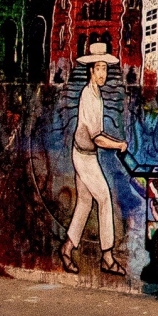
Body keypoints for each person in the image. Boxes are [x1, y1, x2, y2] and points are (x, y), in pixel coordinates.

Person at [64, 40, 128, 274]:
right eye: (99, 69)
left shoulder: (96, 93)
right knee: (104, 199)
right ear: (90, 70)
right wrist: (118, 144)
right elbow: (97, 137)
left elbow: (97, 135)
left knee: (84, 202)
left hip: (85, 154)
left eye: (105, 69)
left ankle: (67, 248)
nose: (103, 73)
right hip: (83, 157)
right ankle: (107, 257)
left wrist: (114, 143)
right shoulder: (88, 96)